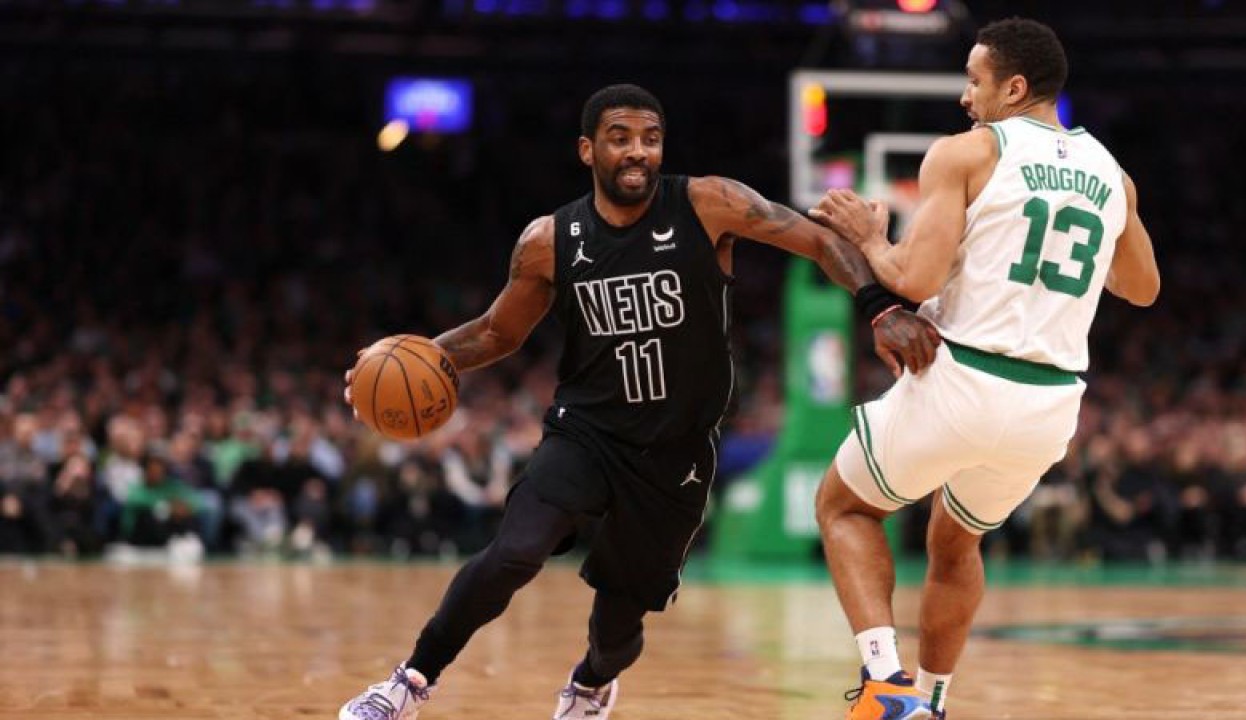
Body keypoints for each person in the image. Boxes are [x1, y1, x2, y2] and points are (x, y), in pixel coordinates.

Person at [336, 83, 941, 720]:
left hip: (676, 453)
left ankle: (591, 683)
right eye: (621, 138)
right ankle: (407, 682)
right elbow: (496, 333)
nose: (638, 152)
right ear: (587, 149)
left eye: (650, 139)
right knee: (513, 553)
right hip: (586, 433)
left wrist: (879, 309)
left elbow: (820, 240)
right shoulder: (550, 240)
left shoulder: (710, 203)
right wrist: (410, 361)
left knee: (616, 629)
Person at [807, 18, 1160, 720]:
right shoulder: (1111, 174)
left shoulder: (967, 153)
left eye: (975, 80)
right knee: (955, 536)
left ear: (1015, 86)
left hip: (962, 374)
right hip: (1050, 405)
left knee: (844, 506)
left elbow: (914, 275)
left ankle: (885, 685)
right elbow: (1143, 287)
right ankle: (933, 702)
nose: (967, 95)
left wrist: (872, 237)